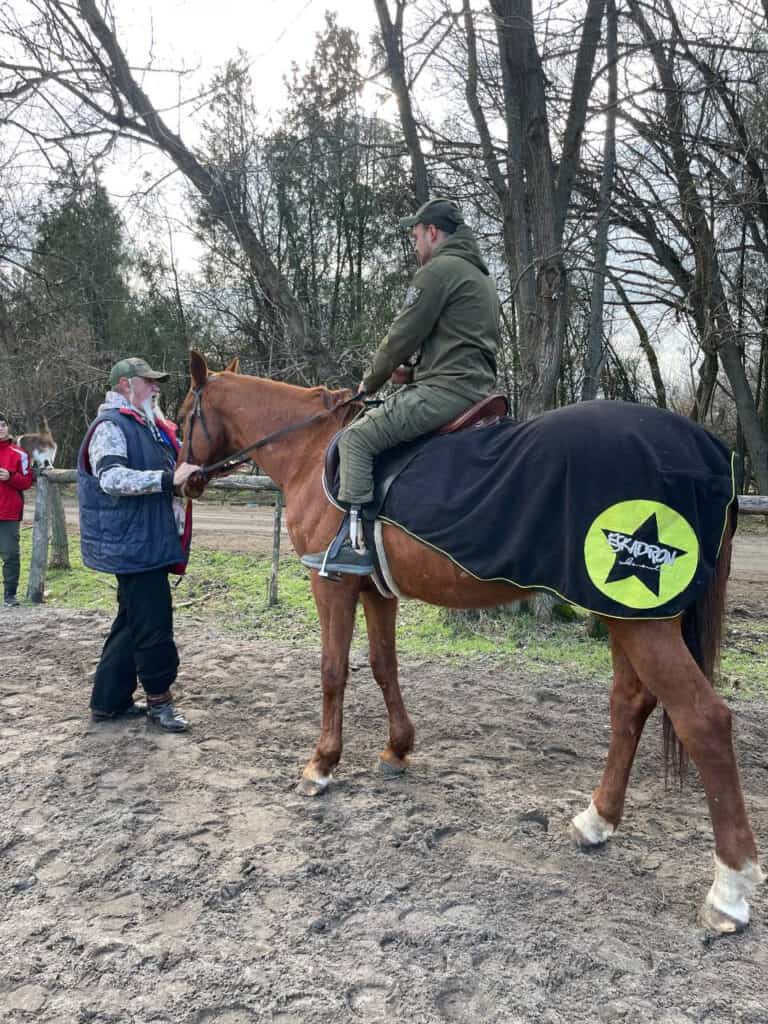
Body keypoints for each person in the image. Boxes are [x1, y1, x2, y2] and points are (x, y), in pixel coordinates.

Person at [302, 197, 500, 575]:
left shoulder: (438, 271)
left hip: (446, 394)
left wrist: (369, 382)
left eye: (415, 236)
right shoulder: (479, 275)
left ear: (432, 232)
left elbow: (401, 336)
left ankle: (352, 545)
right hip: (475, 390)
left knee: (354, 440)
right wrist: (412, 374)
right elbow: (463, 346)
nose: (414, 245)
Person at [77, 357, 199, 732]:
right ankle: (159, 701)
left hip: (143, 538)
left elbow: (168, 475)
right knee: (153, 623)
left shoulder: (147, 427)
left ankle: (108, 701)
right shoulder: (111, 427)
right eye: (149, 382)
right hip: (133, 544)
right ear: (127, 385)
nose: (156, 388)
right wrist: (167, 480)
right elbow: (112, 478)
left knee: (132, 622)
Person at [0, 412, 34, 607]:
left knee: (10, 554)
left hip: (9, 512)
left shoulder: (19, 453)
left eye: (3, 425)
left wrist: (10, 477)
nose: (0, 428)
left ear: (7, 428)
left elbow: (27, 482)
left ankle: (10, 595)